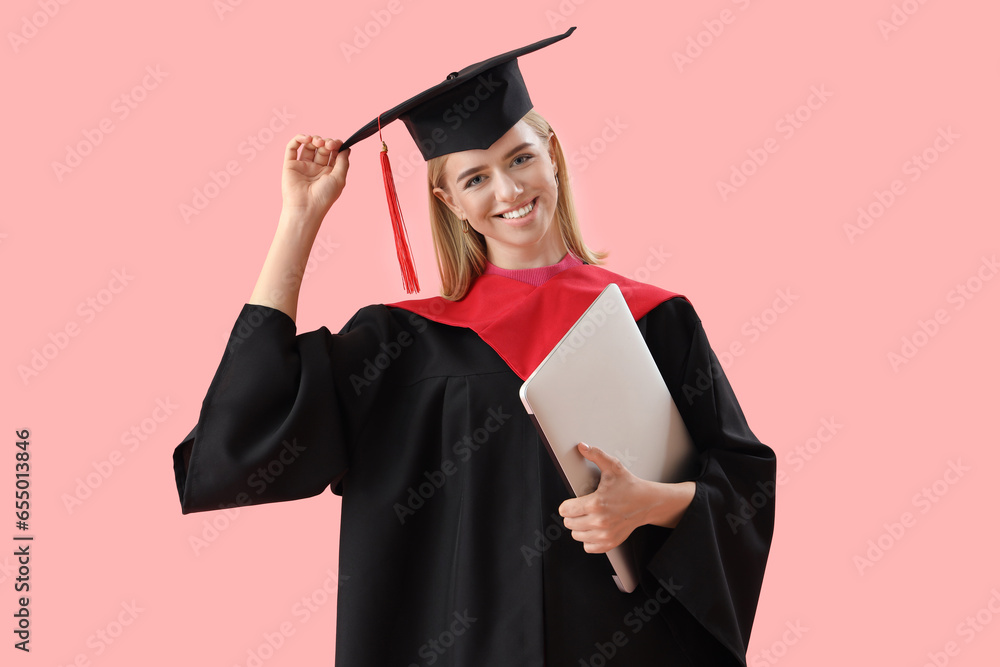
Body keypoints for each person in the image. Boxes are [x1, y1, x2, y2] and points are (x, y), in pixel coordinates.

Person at [172, 27, 775, 666]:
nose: (509, 193)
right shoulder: (400, 345)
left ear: (553, 155)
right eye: (475, 178)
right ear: (448, 201)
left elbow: (743, 489)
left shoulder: (654, 319)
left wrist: (649, 503)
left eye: (520, 159)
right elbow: (240, 438)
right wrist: (299, 219)